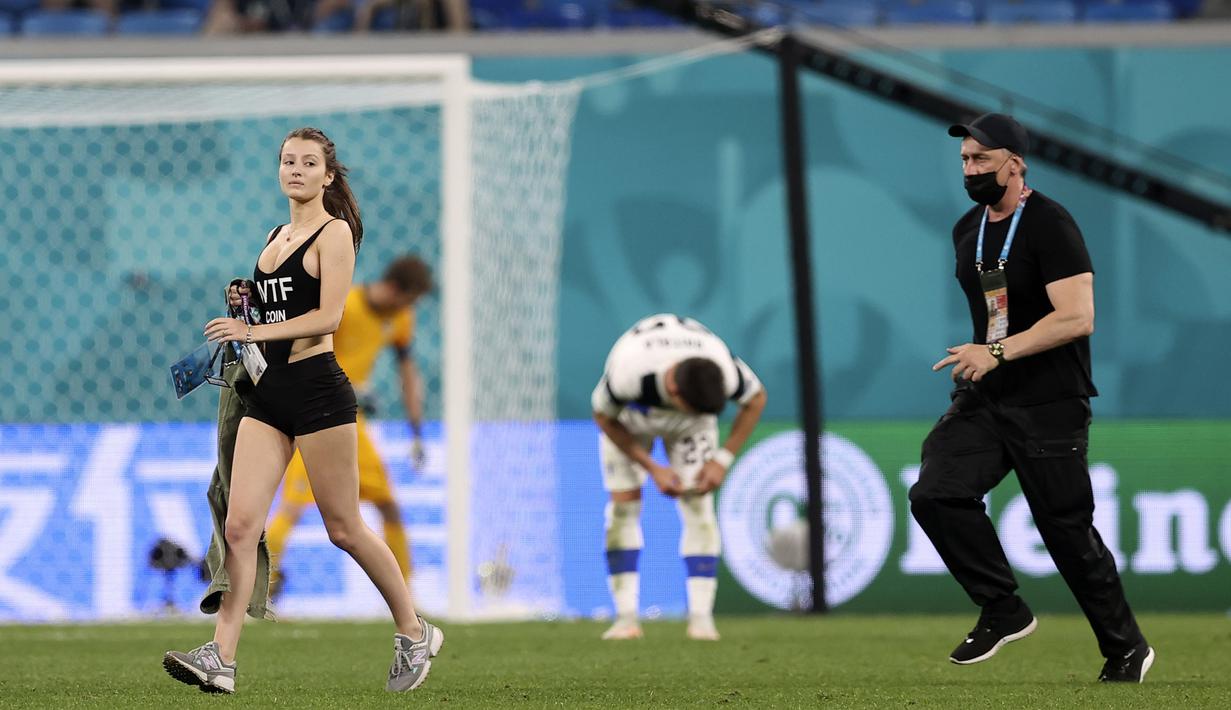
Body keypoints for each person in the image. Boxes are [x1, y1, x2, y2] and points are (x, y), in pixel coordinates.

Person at [163, 127, 442, 694]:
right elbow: (275, 311)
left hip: (318, 393)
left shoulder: (333, 233)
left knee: (343, 527)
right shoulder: (274, 236)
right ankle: (221, 658)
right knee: (240, 526)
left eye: (308, 163)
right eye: (288, 161)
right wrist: (244, 316)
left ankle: (413, 631)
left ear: (328, 176)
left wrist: (252, 326)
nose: (295, 170)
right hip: (265, 395)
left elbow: (329, 318)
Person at [911, 113, 1153, 682]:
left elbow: (1078, 318)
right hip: (987, 396)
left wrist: (995, 352)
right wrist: (984, 359)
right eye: (965, 160)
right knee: (935, 494)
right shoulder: (967, 228)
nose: (969, 171)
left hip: (1050, 401)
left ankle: (1126, 648)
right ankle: (1003, 607)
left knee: (1066, 533)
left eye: (981, 160)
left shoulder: (1050, 223)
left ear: (1014, 164)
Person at [591, 313, 767, 642]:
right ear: (672, 390)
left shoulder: (723, 369)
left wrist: (722, 459)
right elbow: (603, 416)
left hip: (690, 428)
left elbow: (756, 399)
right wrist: (652, 467)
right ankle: (626, 619)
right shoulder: (630, 372)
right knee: (624, 508)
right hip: (630, 419)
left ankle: (701, 621)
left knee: (698, 504)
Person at [265, 255, 433, 597]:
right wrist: (343, 387)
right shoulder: (344, 307)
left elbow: (407, 373)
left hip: (351, 421)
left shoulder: (400, 319)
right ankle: (261, 588)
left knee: (388, 504)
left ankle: (406, 593)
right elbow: (305, 354)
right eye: (411, 298)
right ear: (396, 288)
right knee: (293, 507)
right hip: (314, 415)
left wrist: (416, 429)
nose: (411, 306)